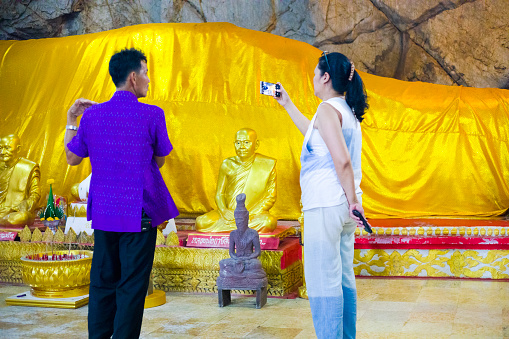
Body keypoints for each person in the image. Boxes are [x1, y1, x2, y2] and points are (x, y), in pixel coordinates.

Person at [64, 48, 179, 339]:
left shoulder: (92, 117)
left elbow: (71, 158)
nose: (149, 79)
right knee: (132, 286)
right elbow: (161, 159)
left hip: (104, 214)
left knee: (102, 283)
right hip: (138, 213)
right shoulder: (152, 114)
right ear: (132, 77)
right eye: (146, 72)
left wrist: (71, 119)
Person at [274, 52, 370, 339]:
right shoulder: (344, 111)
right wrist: (287, 103)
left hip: (327, 204)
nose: (313, 79)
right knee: (341, 278)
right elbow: (315, 137)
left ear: (325, 77)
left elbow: (341, 161)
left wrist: (352, 199)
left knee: (322, 281)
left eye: (315, 74)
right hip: (341, 207)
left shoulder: (328, 110)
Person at [196, 128, 277, 233]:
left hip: (252, 214)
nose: (242, 147)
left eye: (246, 142)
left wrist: (249, 214)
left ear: (256, 144)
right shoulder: (227, 164)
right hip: (228, 214)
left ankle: (238, 227)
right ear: (234, 144)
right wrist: (224, 211)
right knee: (201, 222)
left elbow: (270, 196)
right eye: (238, 143)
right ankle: (241, 228)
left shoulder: (267, 165)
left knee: (268, 222)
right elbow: (219, 194)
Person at [0, 134, 41, 228]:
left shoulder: (29, 168)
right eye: (0, 148)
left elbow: (35, 194)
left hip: (15, 212)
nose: (2, 152)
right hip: (2, 211)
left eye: (7, 148)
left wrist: (24, 205)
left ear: (18, 149)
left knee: (21, 217)